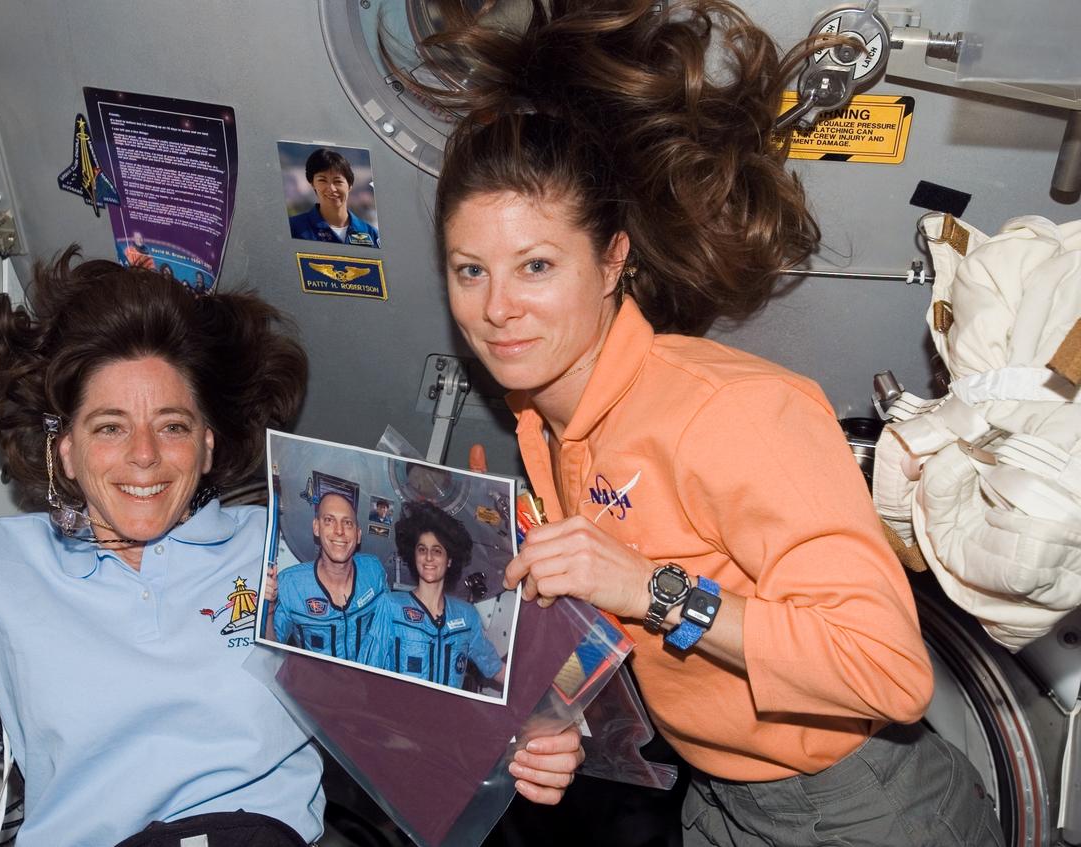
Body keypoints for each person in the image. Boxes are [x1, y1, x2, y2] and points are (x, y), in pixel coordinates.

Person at [406, 1, 1005, 844]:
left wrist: (653, 588)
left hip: (859, 804)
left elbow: (891, 673)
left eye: (536, 265)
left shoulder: (728, 413)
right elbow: (605, 624)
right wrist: (556, 717)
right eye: (471, 270)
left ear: (612, 259)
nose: (498, 308)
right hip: (719, 798)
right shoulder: (545, 428)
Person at [0, 253, 325, 846]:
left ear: (207, 447)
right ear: (68, 453)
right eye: (110, 426)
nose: (145, 454)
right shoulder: (0, 577)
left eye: (173, 425)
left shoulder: (284, 550)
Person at [382, 501, 504, 690]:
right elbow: (366, 670)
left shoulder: (466, 616)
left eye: (437, 551)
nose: (429, 557)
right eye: (422, 549)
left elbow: (494, 668)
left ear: (449, 561)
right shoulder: (390, 607)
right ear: (415, 557)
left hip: (446, 717)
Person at [265, 491, 389, 663]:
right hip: (316, 685)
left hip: (368, 685)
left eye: (347, 523)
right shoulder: (290, 585)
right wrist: (268, 609)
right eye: (329, 521)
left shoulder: (374, 571)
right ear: (316, 527)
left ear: (358, 534)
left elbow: (388, 629)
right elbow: (270, 654)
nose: (339, 531)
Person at [287, 148, 380, 248]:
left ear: (350, 185)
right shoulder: (292, 228)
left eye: (338, 181)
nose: (331, 189)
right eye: (322, 180)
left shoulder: (371, 234)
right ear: (312, 184)